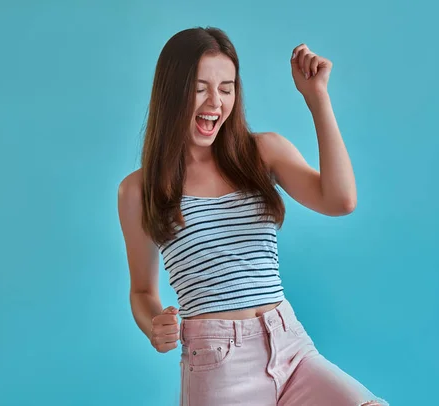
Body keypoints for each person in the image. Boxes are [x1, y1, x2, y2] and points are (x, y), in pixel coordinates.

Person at [117, 26, 388, 406]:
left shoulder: (261, 153)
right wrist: (153, 325)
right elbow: (142, 292)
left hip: (290, 347)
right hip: (218, 365)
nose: (215, 102)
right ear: (170, 92)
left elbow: (340, 200)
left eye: (226, 88)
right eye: (200, 88)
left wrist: (317, 100)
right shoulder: (139, 190)